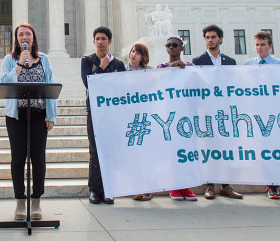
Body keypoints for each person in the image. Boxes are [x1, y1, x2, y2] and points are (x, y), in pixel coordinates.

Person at [0, 23, 57, 221]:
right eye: (21, 34)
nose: (25, 37)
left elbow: (50, 86)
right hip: (16, 115)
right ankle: (19, 202)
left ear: (34, 37)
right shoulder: (9, 59)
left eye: (28, 34)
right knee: (17, 158)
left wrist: (51, 116)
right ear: (16, 39)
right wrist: (19, 64)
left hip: (39, 114)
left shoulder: (44, 59)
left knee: (38, 158)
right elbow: (4, 83)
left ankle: (36, 201)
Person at [191, 25, 243, 200]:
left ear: (220, 39)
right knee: (209, 149)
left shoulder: (230, 62)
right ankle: (210, 185)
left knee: (226, 149)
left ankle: (226, 185)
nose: (210, 40)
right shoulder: (197, 61)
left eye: (213, 37)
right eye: (207, 37)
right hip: (207, 113)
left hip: (226, 112)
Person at [81, 26, 125, 205]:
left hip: (113, 113)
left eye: (103, 39)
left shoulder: (120, 65)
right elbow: (88, 83)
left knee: (111, 152)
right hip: (94, 112)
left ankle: (109, 189)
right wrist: (102, 68)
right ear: (93, 41)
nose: (100, 42)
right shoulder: (87, 60)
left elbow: (122, 87)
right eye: (97, 38)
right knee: (94, 152)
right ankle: (94, 190)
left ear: (109, 41)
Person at [244, 31, 280, 199]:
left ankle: (273, 184)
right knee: (258, 148)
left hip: (273, 113)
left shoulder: (279, 64)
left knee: (273, 148)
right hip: (255, 112)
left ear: (270, 46)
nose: (259, 48)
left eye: (263, 45)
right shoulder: (247, 65)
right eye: (257, 45)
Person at [157, 36, 197, 201]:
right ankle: (174, 187)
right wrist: (169, 71)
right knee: (172, 153)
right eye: (168, 45)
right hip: (169, 116)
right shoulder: (161, 67)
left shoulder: (191, 66)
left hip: (186, 115)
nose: (171, 48)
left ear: (182, 48)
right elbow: (156, 85)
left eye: (175, 45)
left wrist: (184, 70)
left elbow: (197, 84)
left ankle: (185, 187)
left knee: (186, 153)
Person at [127, 42, 155, 202]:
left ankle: (148, 187)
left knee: (146, 155)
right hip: (129, 117)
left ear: (143, 56)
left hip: (145, 116)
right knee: (133, 154)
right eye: (132, 51)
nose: (133, 55)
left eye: (137, 53)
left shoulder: (150, 72)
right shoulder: (121, 70)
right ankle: (135, 188)